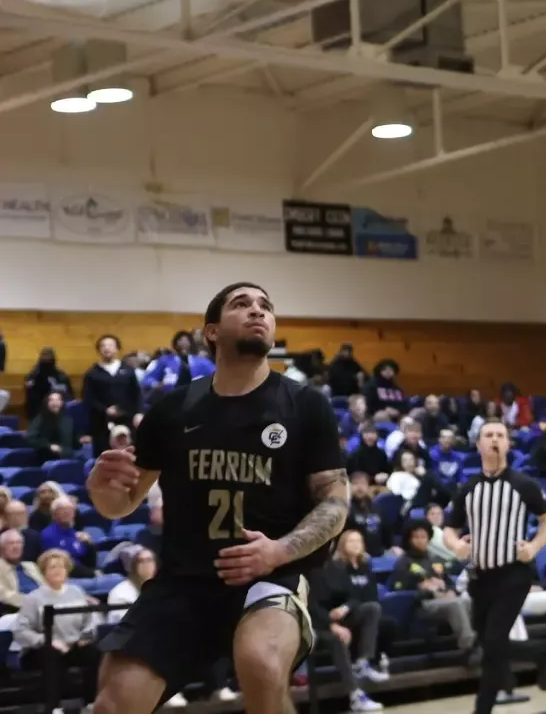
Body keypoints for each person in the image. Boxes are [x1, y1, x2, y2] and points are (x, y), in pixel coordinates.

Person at [85, 281, 351, 714]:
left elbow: (335, 504)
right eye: (241, 304)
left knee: (261, 664)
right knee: (114, 701)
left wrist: (280, 551)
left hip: (271, 575)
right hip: (184, 580)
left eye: (266, 306)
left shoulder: (305, 405)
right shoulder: (173, 409)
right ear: (211, 331)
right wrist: (100, 490)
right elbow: (122, 503)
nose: (257, 311)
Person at [441, 419, 546, 714]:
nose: (494, 439)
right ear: (479, 444)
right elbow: (449, 529)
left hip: (513, 574)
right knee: (491, 651)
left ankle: (540, 656)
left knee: (494, 642)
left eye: (500, 435)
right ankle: (543, 653)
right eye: (488, 435)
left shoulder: (523, 484)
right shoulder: (468, 487)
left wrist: (533, 547)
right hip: (480, 577)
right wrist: (456, 546)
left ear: (508, 443)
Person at [312, 528, 391, 705]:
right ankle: (355, 695)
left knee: (372, 608)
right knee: (336, 638)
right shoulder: (307, 571)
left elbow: (353, 597)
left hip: (338, 616)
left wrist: (344, 608)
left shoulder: (336, 568)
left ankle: (364, 662)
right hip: (316, 623)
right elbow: (310, 606)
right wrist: (332, 624)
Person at [15, 549, 98, 702]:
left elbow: (89, 620)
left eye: (62, 567)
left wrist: (85, 636)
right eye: (53, 567)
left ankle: (91, 702)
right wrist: (48, 641)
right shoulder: (33, 598)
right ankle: (54, 707)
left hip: (73, 644)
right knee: (52, 657)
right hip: (42, 648)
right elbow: (21, 631)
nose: (58, 570)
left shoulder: (77, 592)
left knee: (95, 653)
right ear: (43, 572)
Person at [389, 523, 476, 655]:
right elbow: (400, 589)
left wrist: (452, 591)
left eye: (423, 537)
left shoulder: (435, 559)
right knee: (456, 604)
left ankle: (481, 641)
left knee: (469, 601)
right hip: (421, 605)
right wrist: (424, 587)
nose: (420, 540)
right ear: (409, 540)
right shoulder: (404, 562)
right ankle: (469, 646)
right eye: (416, 537)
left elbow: (450, 582)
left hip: (445, 601)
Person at [83, 334, 142, 454]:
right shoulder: (92, 373)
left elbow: (137, 394)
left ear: (117, 348)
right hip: (102, 423)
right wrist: (105, 410)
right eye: (103, 346)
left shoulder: (128, 371)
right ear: (99, 350)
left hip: (127, 419)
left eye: (110, 345)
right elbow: (89, 398)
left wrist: (138, 413)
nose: (106, 348)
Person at [106, 545, 156, 626]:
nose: (146, 565)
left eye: (149, 560)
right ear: (134, 567)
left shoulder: (163, 587)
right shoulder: (120, 593)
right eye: (141, 561)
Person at [26, 390, 77, 458]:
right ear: (47, 403)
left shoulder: (68, 419)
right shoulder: (40, 418)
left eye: (58, 400)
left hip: (69, 454)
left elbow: (74, 441)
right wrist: (48, 446)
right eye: (51, 400)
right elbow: (30, 437)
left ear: (62, 402)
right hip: (48, 456)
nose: (55, 403)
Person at [26, 347, 73, 417]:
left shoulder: (61, 376)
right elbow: (32, 397)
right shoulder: (34, 376)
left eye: (49, 357)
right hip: (39, 413)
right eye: (45, 356)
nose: (47, 358)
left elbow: (69, 394)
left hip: (60, 413)